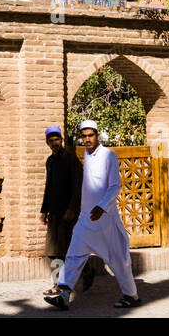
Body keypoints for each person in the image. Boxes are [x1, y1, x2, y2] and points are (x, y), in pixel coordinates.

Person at [43, 120, 140, 311]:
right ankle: (63, 293)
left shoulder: (108, 155)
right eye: (84, 136)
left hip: (105, 221)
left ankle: (131, 295)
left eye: (90, 135)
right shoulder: (86, 155)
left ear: (97, 136)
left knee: (117, 260)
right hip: (86, 219)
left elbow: (115, 186)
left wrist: (102, 206)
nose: (87, 139)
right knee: (73, 255)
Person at [38, 126, 81, 296]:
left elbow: (78, 186)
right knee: (52, 250)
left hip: (68, 213)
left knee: (67, 249)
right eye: (51, 140)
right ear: (47, 143)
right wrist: (44, 211)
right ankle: (57, 283)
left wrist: (72, 209)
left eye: (57, 140)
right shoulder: (50, 161)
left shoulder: (71, 160)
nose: (54, 143)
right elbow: (48, 187)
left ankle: (84, 273)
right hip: (55, 212)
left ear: (61, 140)